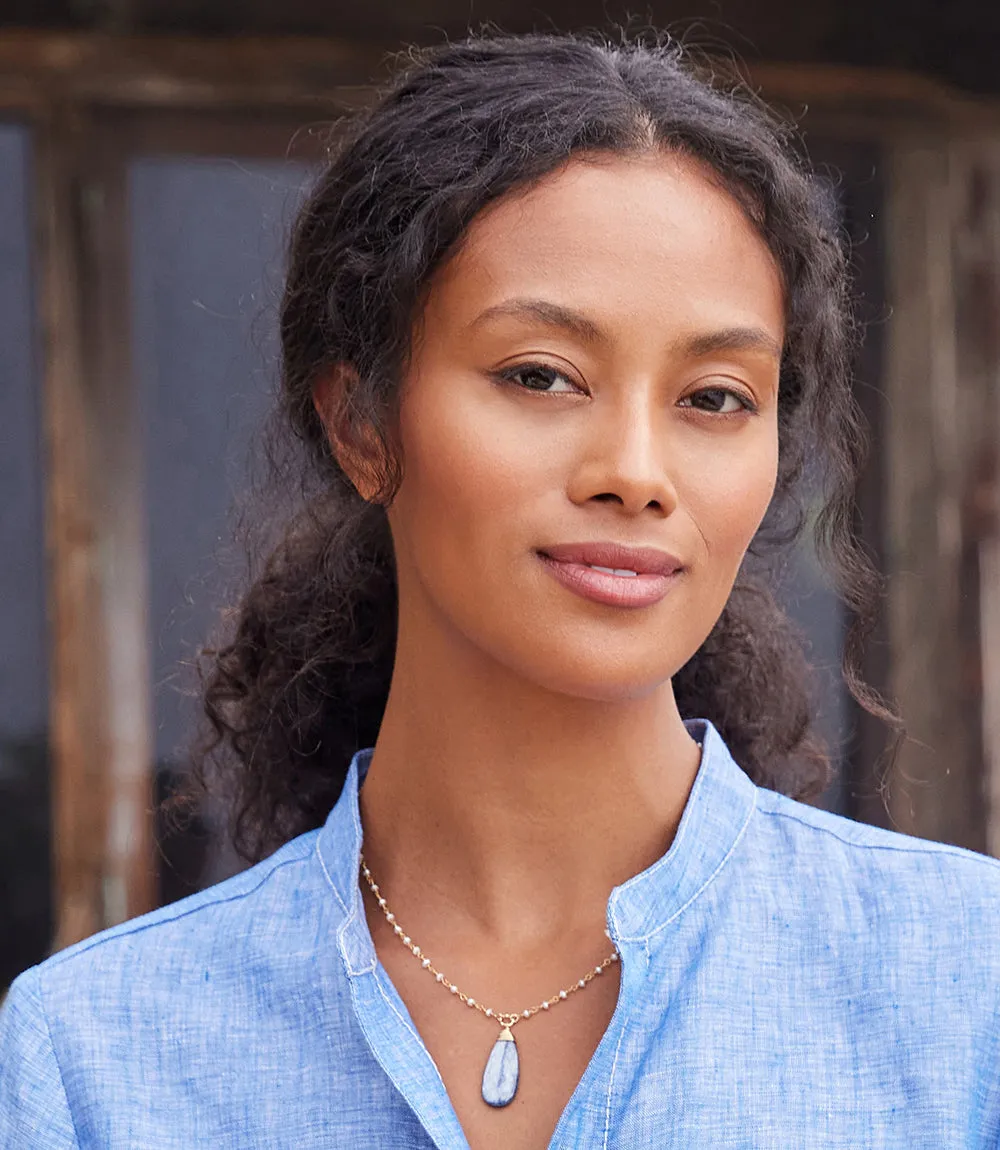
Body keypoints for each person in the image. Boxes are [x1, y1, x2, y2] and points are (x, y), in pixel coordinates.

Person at [2, 30, 999, 1150]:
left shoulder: (967, 992)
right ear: (361, 424)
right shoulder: (99, 1057)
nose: (633, 470)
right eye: (539, 375)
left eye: (715, 396)